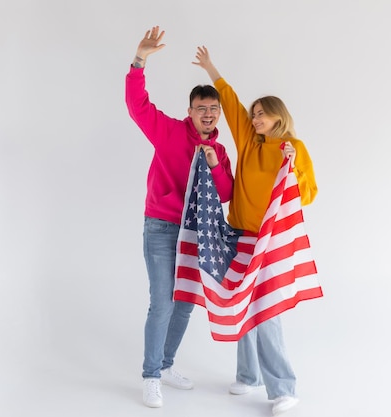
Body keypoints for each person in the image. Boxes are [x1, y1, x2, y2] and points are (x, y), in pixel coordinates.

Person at [193, 46, 318, 416]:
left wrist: (292, 170)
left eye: (262, 114)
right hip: (239, 235)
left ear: (278, 116)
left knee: (265, 310)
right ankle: (249, 376)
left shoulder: (292, 148)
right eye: (254, 114)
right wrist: (211, 68)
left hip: (272, 241)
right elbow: (230, 104)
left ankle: (283, 387)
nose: (255, 118)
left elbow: (307, 194)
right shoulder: (249, 142)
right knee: (240, 304)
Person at [125, 27, 234, 409]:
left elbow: (225, 195)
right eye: (201, 109)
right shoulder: (170, 132)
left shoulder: (218, 149)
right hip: (160, 227)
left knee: (185, 303)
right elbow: (138, 107)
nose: (208, 114)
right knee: (163, 302)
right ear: (190, 112)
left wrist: (215, 165)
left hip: (195, 233)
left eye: (213, 109)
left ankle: (167, 365)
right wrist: (139, 60)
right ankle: (150, 375)